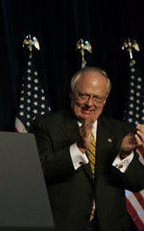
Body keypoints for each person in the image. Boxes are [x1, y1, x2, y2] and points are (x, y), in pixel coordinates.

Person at [33, 67, 144, 231]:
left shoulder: (120, 130)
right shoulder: (47, 125)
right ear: (71, 94)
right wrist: (79, 148)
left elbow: (137, 183)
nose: (89, 104)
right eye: (84, 95)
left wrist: (125, 154)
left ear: (105, 100)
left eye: (97, 98)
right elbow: (41, 170)